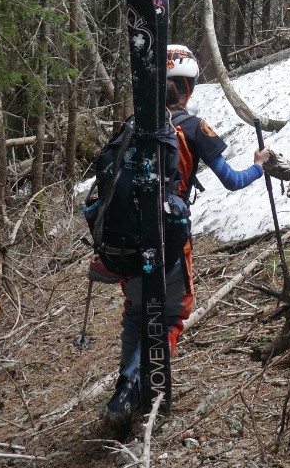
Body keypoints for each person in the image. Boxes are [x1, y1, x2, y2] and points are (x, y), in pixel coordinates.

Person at [98, 43, 270, 434]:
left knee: (136, 314)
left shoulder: (132, 125)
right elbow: (231, 180)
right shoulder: (192, 128)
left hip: (123, 242)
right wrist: (259, 166)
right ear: (188, 87)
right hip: (169, 240)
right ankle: (136, 387)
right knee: (174, 313)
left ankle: (125, 385)